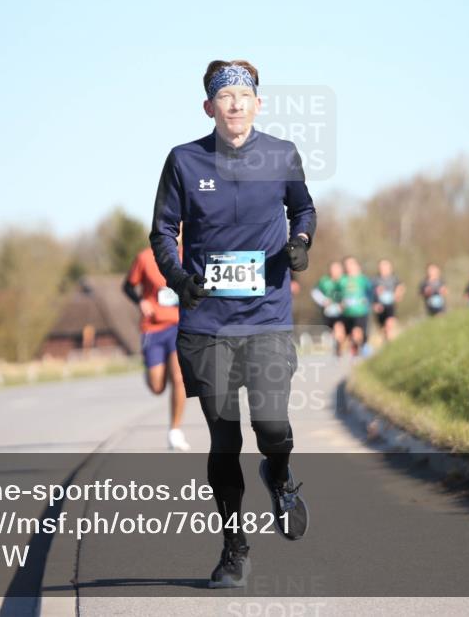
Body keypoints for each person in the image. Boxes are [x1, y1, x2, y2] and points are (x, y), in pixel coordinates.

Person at [149, 59, 316, 589]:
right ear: (209, 107)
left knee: (271, 429)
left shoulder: (282, 154)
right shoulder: (182, 160)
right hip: (207, 323)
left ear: (258, 104)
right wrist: (178, 277)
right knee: (224, 440)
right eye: (225, 97)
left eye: (245, 95)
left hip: (266, 317)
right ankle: (234, 550)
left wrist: (301, 244)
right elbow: (162, 231)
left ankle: (281, 474)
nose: (236, 104)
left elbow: (304, 210)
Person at [123, 242, 190, 451]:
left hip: (179, 325)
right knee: (157, 387)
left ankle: (175, 431)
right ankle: (155, 369)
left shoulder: (189, 254)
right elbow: (127, 286)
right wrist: (140, 301)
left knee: (179, 378)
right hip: (153, 328)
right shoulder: (145, 257)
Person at [339, 256, 373, 355]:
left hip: (360, 312)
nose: (349, 267)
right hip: (347, 313)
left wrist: (367, 301)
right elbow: (335, 294)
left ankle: (361, 349)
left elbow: (370, 293)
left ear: (357, 265)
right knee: (350, 337)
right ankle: (356, 353)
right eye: (347, 265)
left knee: (356, 333)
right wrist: (339, 303)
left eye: (351, 264)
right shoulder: (342, 280)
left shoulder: (363, 279)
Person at [311, 261, 345, 356]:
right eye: (333, 269)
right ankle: (337, 345)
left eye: (337, 269)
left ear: (341, 270)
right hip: (328, 312)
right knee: (335, 331)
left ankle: (339, 347)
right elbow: (315, 292)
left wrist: (344, 303)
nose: (335, 271)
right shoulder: (324, 281)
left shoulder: (345, 281)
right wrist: (323, 301)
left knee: (339, 328)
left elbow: (351, 293)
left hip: (342, 312)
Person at [372, 259, 405, 342]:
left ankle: (390, 341)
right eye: (382, 267)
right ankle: (386, 340)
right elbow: (370, 293)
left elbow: (401, 287)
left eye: (386, 266)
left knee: (390, 323)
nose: (384, 269)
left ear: (390, 268)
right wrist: (374, 303)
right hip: (380, 307)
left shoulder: (394, 278)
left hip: (390, 305)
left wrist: (398, 294)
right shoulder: (375, 280)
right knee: (383, 327)